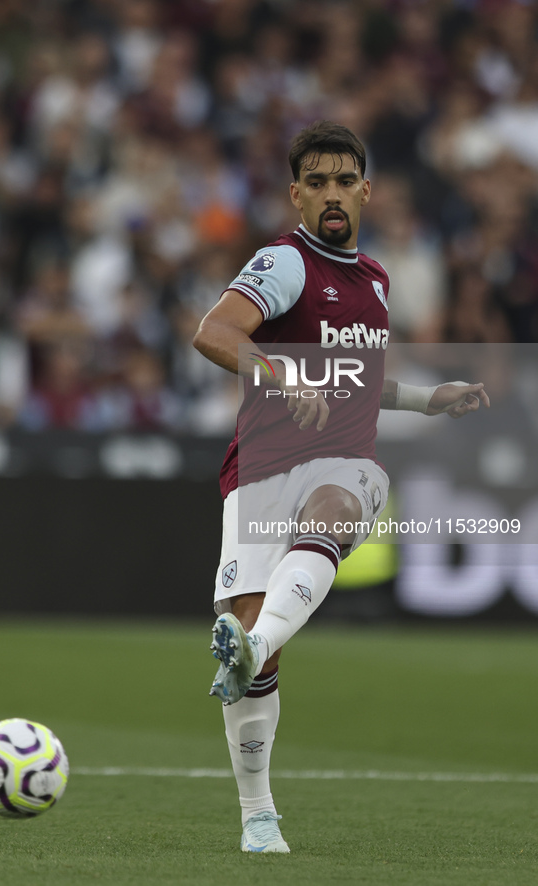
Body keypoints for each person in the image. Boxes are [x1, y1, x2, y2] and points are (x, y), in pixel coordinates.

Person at [192, 120, 489, 854]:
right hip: (259, 468)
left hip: (342, 459)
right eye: (315, 182)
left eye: (343, 180)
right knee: (263, 663)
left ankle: (250, 646)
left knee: (334, 508)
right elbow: (215, 332)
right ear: (296, 194)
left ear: (366, 190)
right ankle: (257, 815)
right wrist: (280, 372)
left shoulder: (377, 282)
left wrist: (426, 399)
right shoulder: (284, 263)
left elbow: (356, 382)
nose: (331, 194)